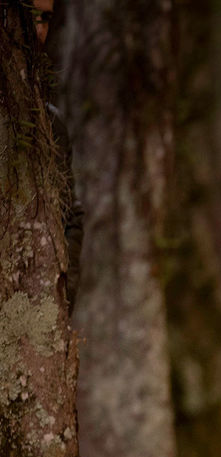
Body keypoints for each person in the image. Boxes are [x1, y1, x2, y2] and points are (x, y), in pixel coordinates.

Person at [33, 0, 84, 317]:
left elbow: (71, 218)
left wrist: (61, 299)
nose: (38, 30)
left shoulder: (51, 126)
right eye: (28, 15)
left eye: (45, 18)